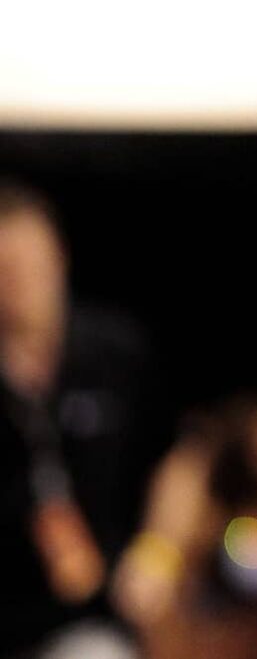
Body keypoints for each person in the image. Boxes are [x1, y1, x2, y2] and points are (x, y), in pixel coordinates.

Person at [0, 181, 157, 659]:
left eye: (28, 264)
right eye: (4, 269)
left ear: (58, 258)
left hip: (92, 617)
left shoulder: (116, 352)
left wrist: (158, 556)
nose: (17, 282)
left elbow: (179, 459)